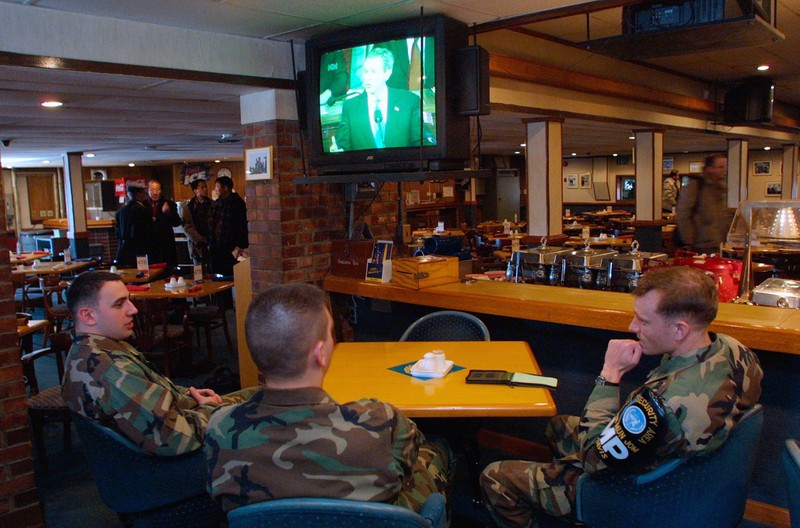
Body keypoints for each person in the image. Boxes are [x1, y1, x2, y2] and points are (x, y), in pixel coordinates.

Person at [480, 266, 762, 528]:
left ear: (680, 329)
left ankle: (582, 502)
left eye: (643, 320)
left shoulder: (660, 406)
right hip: (697, 479)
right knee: (559, 426)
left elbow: (592, 459)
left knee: (495, 477)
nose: (632, 327)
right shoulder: (734, 349)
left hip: (639, 496)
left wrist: (610, 374)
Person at [205, 283, 453, 514]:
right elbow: (410, 457)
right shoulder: (381, 422)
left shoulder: (220, 429)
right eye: (331, 334)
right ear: (320, 353)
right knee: (437, 450)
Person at [61, 270, 254, 455]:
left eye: (129, 300)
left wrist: (189, 394)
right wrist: (209, 407)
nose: (133, 309)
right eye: (119, 304)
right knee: (268, 406)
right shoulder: (111, 370)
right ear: (88, 315)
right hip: (185, 459)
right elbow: (175, 439)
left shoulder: (91, 349)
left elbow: (152, 395)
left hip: (178, 421)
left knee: (261, 393)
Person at [332, 47, 422, 152]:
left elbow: (422, 142)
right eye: (365, 71)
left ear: (387, 73)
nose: (367, 77)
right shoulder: (350, 107)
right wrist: (338, 152)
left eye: (373, 72)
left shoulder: (409, 101)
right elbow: (342, 146)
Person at [675, 153, 728, 254]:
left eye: (724, 167)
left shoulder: (720, 188)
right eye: (720, 167)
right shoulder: (696, 186)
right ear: (710, 168)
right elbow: (683, 213)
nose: (724, 170)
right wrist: (688, 238)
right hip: (700, 245)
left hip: (717, 244)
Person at [209, 175, 248, 277]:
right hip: (217, 246)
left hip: (231, 247)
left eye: (217, 186)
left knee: (231, 275)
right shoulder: (217, 203)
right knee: (217, 275)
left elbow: (242, 226)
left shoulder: (237, 203)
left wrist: (240, 245)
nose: (215, 189)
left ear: (225, 188)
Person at [145, 179, 182, 269]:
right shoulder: (143, 205)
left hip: (166, 244)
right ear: (147, 190)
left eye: (157, 190)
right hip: (150, 245)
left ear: (161, 190)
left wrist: (168, 213)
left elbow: (177, 222)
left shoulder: (169, 204)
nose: (155, 193)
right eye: (152, 190)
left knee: (168, 270)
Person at [114, 184, 151, 267]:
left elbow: (117, 234)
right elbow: (148, 233)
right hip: (140, 252)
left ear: (128, 195)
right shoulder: (143, 210)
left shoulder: (119, 212)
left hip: (122, 252)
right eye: (144, 193)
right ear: (139, 194)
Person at [181, 178, 212, 268]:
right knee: (198, 270)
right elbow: (186, 226)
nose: (205, 189)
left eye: (206, 187)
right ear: (195, 190)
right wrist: (199, 238)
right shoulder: (188, 207)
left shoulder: (212, 204)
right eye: (202, 187)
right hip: (196, 245)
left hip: (211, 243)